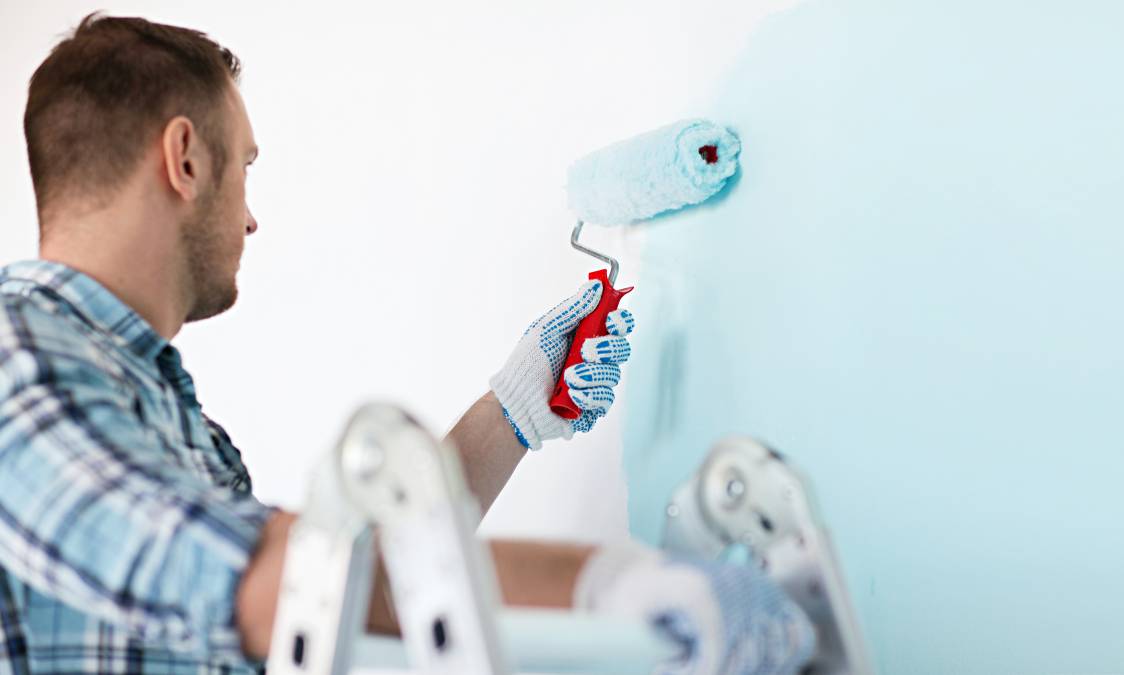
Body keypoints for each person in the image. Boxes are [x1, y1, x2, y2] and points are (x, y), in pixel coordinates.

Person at [0, 13, 813, 674]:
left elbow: (342, 591)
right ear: (183, 159)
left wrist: (517, 406)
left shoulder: (159, 412)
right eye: (245, 168)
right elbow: (283, 584)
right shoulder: (13, 357)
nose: (251, 217)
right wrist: (621, 586)